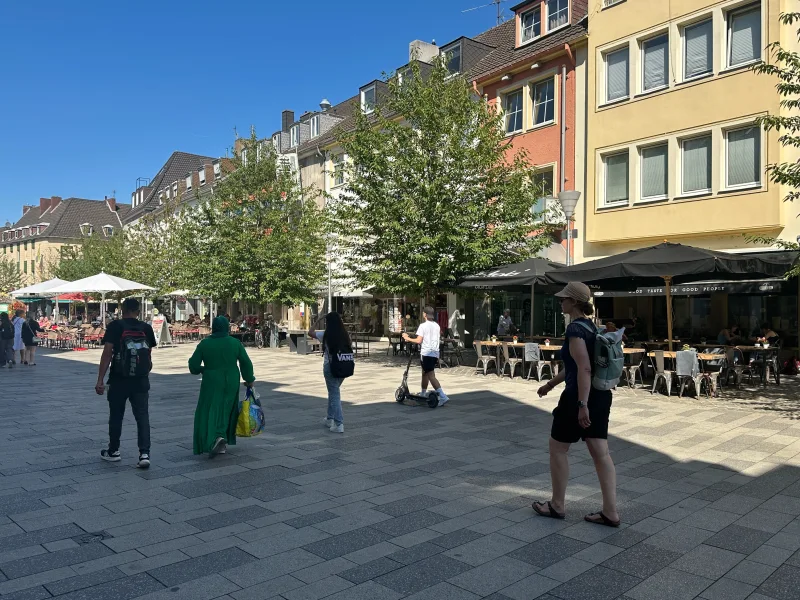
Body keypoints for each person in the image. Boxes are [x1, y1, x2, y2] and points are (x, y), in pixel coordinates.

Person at [533, 282, 620, 527]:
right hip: (601, 394)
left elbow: (583, 367)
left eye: (563, 299)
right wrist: (550, 384)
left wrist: (582, 404)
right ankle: (610, 512)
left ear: (573, 302)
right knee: (601, 454)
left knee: (557, 448)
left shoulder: (574, 329)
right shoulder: (592, 327)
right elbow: (576, 366)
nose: (560, 302)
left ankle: (557, 505)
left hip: (578, 398)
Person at [95, 298, 156, 469]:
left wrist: (100, 380)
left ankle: (114, 451)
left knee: (116, 415)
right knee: (142, 416)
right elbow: (148, 354)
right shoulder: (146, 328)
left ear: (122, 310)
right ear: (138, 310)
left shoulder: (115, 326)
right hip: (141, 380)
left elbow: (107, 353)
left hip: (118, 379)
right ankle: (144, 453)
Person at [188, 316, 255, 456]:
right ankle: (222, 438)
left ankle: (215, 437)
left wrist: (203, 369)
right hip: (231, 379)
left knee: (211, 408)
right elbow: (246, 362)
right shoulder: (234, 343)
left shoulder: (204, 344)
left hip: (211, 379)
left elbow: (193, 366)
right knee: (227, 407)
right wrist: (249, 379)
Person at [308, 312, 352, 433]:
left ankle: (339, 423)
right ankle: (329, 418)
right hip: (344, 366)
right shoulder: (345, 335)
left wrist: (317, 321)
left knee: (334, 394)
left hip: (330, 367)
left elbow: (310, 332)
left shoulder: (326, 334)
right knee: (333, 392)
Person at [402, 306, 449, 406]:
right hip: (435, 352)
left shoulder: (423, 326)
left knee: (431, 375)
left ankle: (443, 396)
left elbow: (419, 340)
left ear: (424, 315)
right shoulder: (437, 325)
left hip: (427, 353)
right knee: (425, 373)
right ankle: (423, 393)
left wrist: (407, 338)